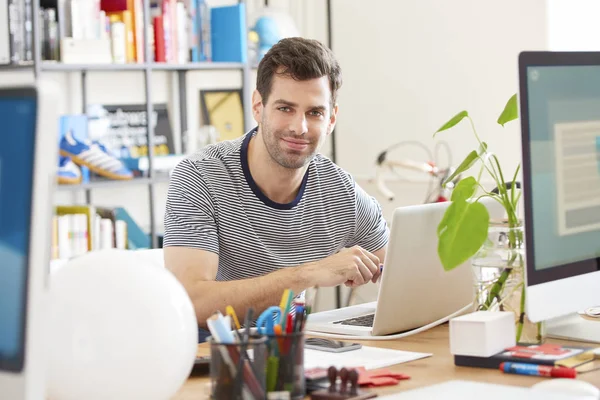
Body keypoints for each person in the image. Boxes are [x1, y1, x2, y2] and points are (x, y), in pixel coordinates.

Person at [163, 37, 389, 341]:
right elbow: (192, 302)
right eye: (285, 108)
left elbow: (403, 276)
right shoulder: (199, 177)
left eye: (315, 113)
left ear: (332, 118)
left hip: (294, 353)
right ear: (258, 106)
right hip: (214, 358)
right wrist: (307, 275)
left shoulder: (342, 192)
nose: (300, 128)